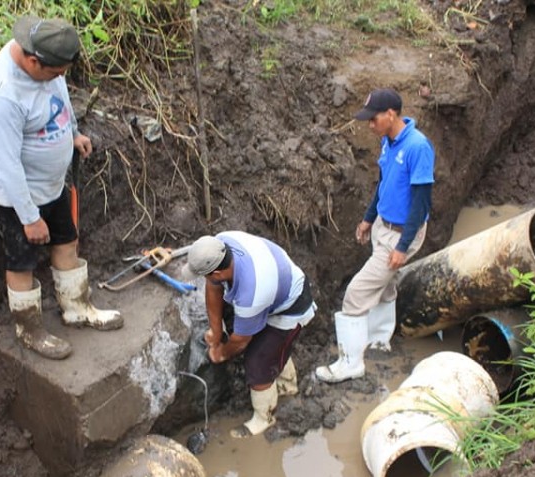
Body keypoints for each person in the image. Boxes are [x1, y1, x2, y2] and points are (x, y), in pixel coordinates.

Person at [0, 16, 122, 360]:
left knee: (67, 240)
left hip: (52, 185)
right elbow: (6, 163)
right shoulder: (1, 95)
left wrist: (72, 133)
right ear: (32, 61)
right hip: (18, 196)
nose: (60, 78)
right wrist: (28, 217)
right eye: (55, 72)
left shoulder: (48, 68)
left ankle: (77, 307)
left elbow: (60, 96)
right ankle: (30, 330)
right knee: (21, 262)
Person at [316, 88, 434, 383]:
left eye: (374, 119)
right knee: (384, 285)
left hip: (401, 234)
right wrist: (369, 219)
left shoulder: (418, 147)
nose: (370, 125)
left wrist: (403, 247)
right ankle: (380, 339)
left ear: (391, 115)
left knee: (355, 295)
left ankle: (350, 363)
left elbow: (421, 203)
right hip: (384, 225)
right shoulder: (388, 141)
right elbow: (383, 184)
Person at [183, 232, 317, 438]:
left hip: (291, 304)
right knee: (269, 348)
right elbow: (213, 289)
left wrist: (221, 354)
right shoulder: (220, 245)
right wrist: (216, 333)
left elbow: (240, 342)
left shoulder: (251, 294)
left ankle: (265, 416)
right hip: (272, 289)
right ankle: (284, 380)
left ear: (216, 272)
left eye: (204, 274)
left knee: (257, 363)